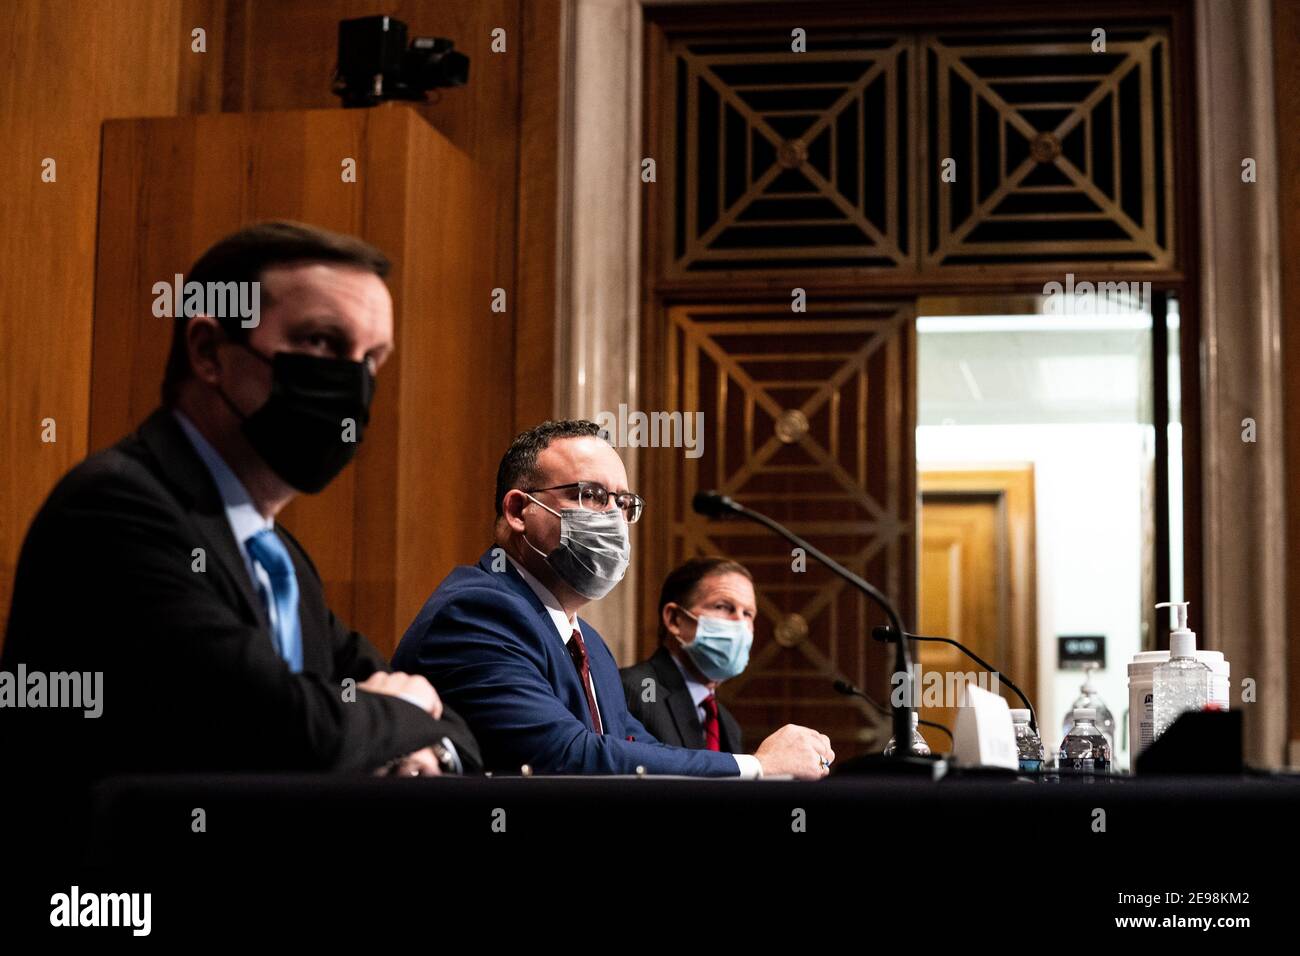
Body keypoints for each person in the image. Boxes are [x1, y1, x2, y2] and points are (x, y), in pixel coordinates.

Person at [1, 222, 480, 839]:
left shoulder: (279, 556)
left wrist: (425, 748)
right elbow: (286, 730)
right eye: (321, 342)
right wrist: (399, 712)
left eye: (371, 359)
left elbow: (452, 718)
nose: (354, 385)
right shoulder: (117, 508)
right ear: (208, 351)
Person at [392, 420, 833, 778]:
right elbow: (566, 756)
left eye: (623, 504)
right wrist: (757, 767)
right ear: (517, 511)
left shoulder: (590, 644)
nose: (615, 521)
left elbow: (634, 748)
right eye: (592, 496)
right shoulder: (477, 613)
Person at [621, 557, 753, 752]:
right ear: (674, 619)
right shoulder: (631, 690)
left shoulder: (728, 724)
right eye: (723, 607)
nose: (740, 623)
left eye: (748, 614)